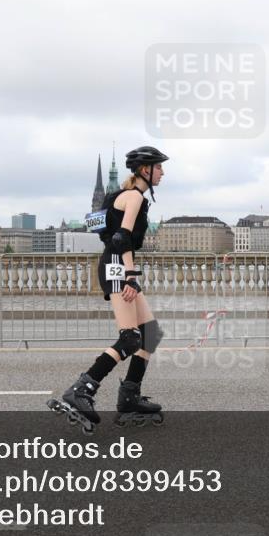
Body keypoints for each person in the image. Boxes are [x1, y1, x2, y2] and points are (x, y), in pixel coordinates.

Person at [48, 146, 169, 433]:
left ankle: (129, 395)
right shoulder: (135, 197)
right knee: (130, 339)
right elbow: (121, 237)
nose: (163, 172)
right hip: (117, 266)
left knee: (150, 333)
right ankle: (82, 389)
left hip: (114, 263)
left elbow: (103, 228)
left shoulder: (117, 196)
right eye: (159, 167)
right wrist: (130, 276)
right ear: (145, 170)